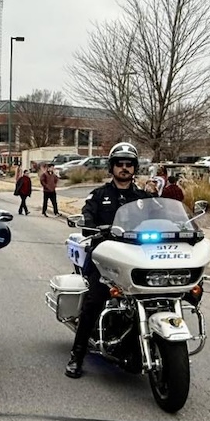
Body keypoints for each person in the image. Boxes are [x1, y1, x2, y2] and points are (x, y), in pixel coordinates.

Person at [65, 142, 153, 378]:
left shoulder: (144, 198)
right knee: (94, 301)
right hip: (105, 261)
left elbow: (158, 218)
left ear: (134, 168)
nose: (124, 168)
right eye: (120, 164)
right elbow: (87, 215)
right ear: (112, 167)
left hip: (137, 260)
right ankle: (77, 355)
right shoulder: (99, 195)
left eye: (129, 164)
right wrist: (89, 223)